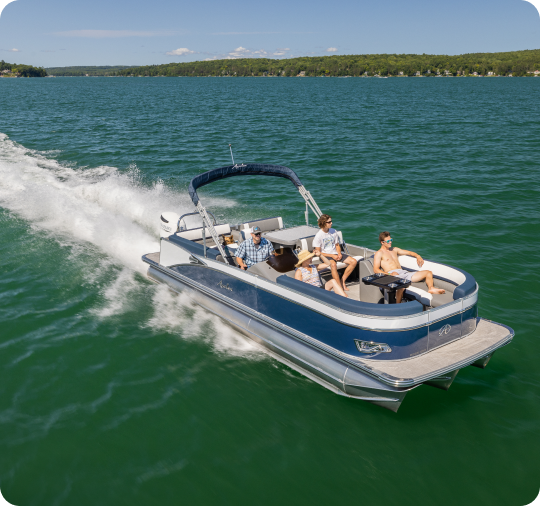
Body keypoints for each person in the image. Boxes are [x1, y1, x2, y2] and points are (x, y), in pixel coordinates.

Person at [373, 231, 445, 303]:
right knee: (401, 287)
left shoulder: (394, 249)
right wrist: (389, 274)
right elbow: (376, 269)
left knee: (428, 273)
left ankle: (431, 288)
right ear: (382, 242)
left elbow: (408, 252)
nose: (390, 242)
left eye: (391, 240)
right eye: (388, 241)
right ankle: (398, 305)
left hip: (404, 273)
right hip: (393, 274)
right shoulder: (379, 253)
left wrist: (417, 256)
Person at [312, 214, 357, 292]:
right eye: (329, 222)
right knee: (333, 265)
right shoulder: (318, 236)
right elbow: (318, 252)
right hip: (325, 255)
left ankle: (342, 281)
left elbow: (337, 245)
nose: (331, 223)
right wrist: (332, 256)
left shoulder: (333, 231)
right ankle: (339, 287)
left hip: (335, 253)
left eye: (331, 221)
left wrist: (339, 253)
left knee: (353, 261)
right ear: (323, 223)